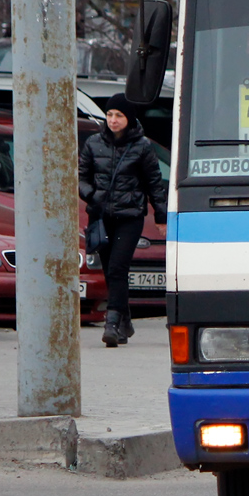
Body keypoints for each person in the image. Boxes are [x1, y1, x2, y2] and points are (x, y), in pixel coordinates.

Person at [79, 93, 167, 347]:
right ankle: (125, 321)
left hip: (130, 217)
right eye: (110, 115)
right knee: (110, 271)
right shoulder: (94, 143)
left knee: (118, 268)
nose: (113, 120)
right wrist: (92, 195)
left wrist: (161, 217)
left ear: (129, 119)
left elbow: (154, 183)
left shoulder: (142, 147)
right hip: (101, 217)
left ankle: (112, 322)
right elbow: (81, 177)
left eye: (119, 116)